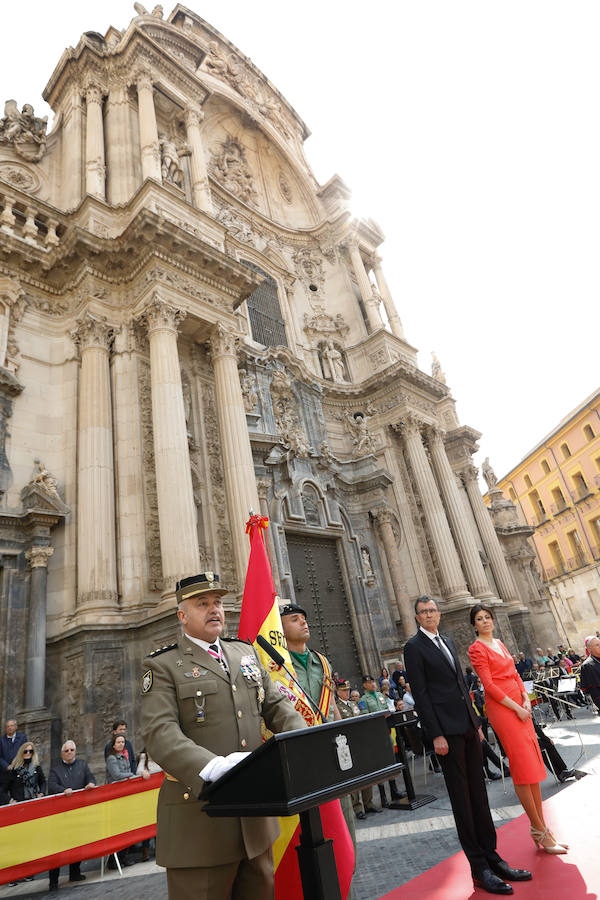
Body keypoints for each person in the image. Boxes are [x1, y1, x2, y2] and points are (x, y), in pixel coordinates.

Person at [141, 572, 306, 900]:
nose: (214, 609)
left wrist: (304, 742)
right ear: (182, 615)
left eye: (217, 602)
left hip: (254, 821)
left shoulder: (244, 653)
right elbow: (160, 733)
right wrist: (214, 767)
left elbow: (277, 709)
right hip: (200, 822)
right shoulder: (163, 666)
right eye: (202, 603)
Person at [404, 595, 531, 895]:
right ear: (417, 617)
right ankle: (479, 867)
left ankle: (493, 856)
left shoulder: (446, 641)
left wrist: (476, 725)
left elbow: (462, 686)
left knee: (479, 794)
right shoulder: (413, 647)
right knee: (462, 800)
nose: (430, 615)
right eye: (424, 612)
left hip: (466, 727)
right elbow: (421, 694)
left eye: (433, 610)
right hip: (445, 734)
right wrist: (435, 735)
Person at [468, 604, 567, 856]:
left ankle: (542, 828)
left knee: (533, 766)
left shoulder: (499, 643)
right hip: (503, 709)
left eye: (487, 617)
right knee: (522, 769)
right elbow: (488, 685)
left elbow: (513, 673)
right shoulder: (476, 648)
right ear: (474, 624)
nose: (485, 621)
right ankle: (538, 829)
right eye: (479, 619)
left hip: (519, 705)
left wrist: (525, 698)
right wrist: (516, 707)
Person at [281, 603, 358, 851]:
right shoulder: (278, 666)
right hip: (301, 755)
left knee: (342, 819)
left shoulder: (321, 661)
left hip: (329, 750)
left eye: (304, 618)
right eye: (294, 619)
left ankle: (348, 866)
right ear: (279, 629)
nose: (303, 622)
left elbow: (331, 704)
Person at [47, 741, 96, 890]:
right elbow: (51, 785)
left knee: (77, 843)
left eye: (72, 750)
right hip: (61, 814)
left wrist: (91, 784)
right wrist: (63, 790)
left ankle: (75, 872)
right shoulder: (55, 770)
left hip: (78, 812)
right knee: (58, 847)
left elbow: (91, 778)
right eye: (66, 750)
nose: (69, 752)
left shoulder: (82, 765)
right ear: (62, 753)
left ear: (75, 751)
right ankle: (53, 880)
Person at [0, 719, 28, 805]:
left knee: (19, 797)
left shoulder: (22, 738)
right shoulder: (1, 741)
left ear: (16, 727)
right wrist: (6, 766)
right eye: (8, 726)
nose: (10, 728)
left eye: (11, 726)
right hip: (5, 773)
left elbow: (25, 753)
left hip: (18, 773)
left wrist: (17, 764)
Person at [579, 635, 600, 712]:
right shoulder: (587, 665)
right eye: (597, 645)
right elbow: (590, 689)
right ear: (589, 649)